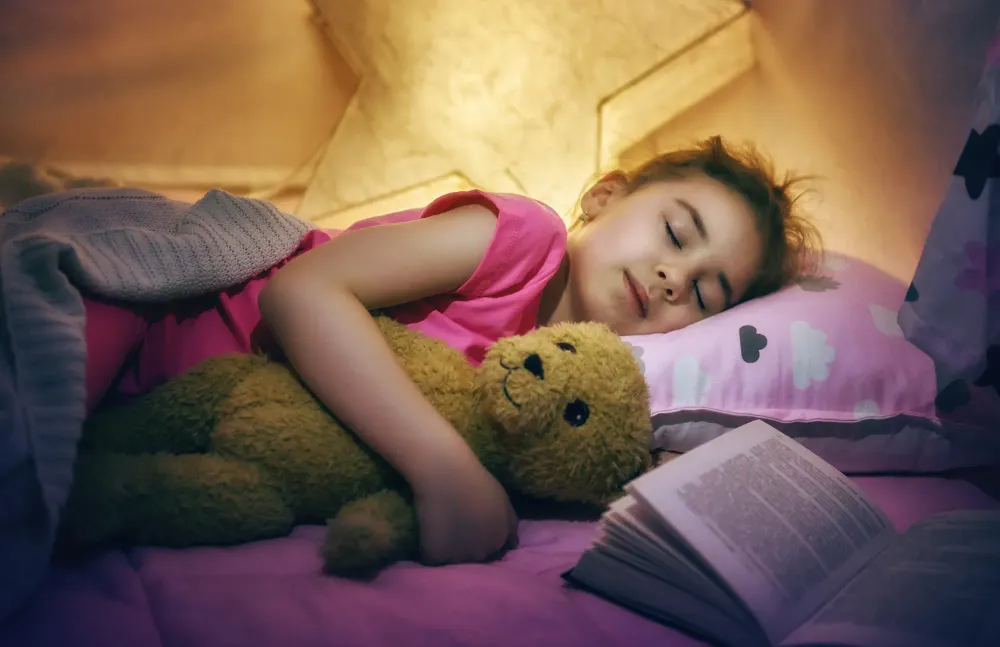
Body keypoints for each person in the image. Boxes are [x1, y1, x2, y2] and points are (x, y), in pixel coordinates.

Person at [82, 135, 822, 569]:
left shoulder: (570, 389)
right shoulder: (521, 241)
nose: (672, 277)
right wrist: (444, 467)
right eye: (675, 232)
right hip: (160, 331)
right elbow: (301, 292)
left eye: (704, 291)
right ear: (604, 197)